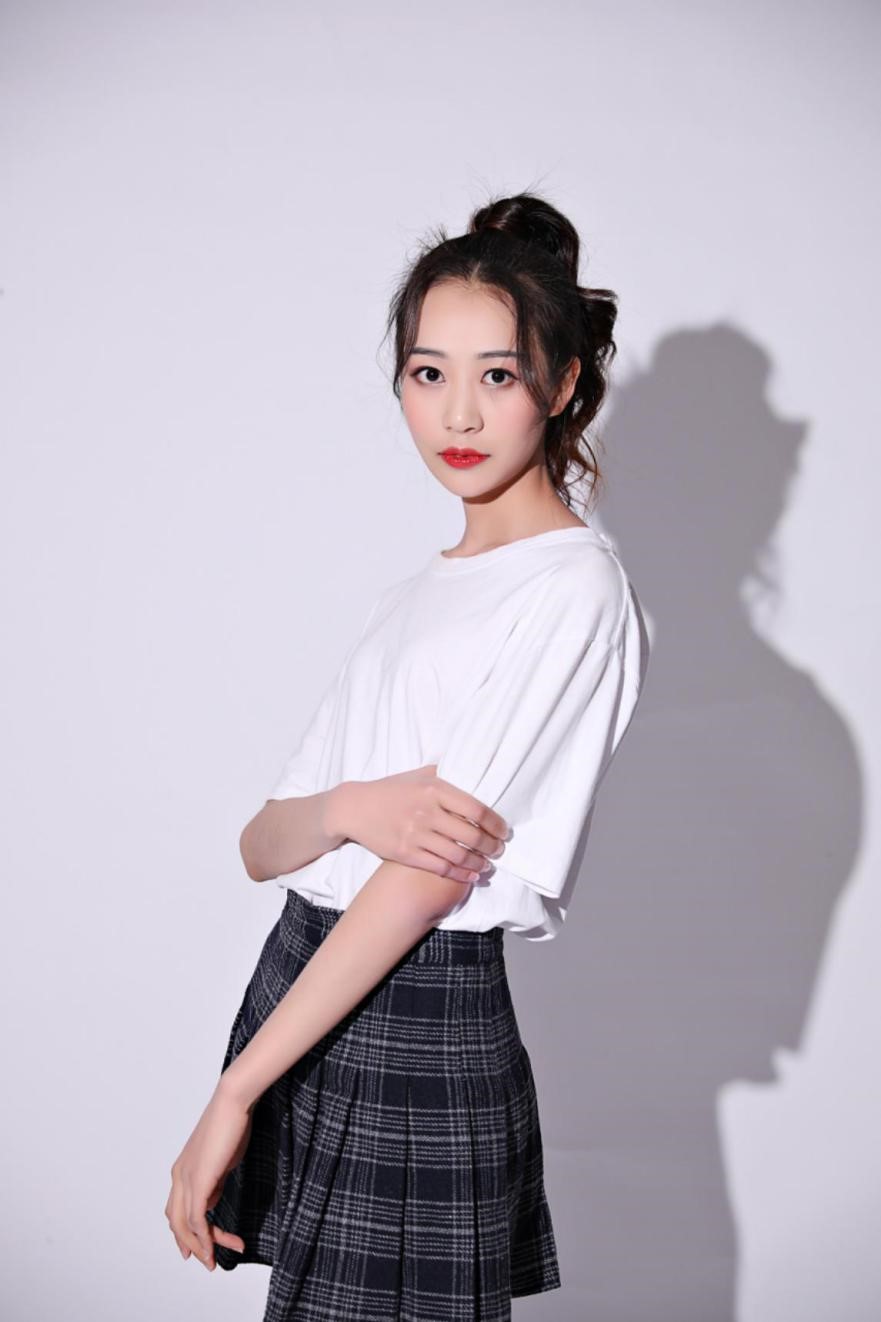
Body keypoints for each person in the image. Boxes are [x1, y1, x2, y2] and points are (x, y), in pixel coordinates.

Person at [165, 189, 651, 1320]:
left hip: (414, 1013)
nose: (457, 412)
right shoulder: (414, 597)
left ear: (561, 384)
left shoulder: (571, 588)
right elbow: (262, 843)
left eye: (498, 374)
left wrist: (234, 1091)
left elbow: (427, 880)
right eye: (429, 372)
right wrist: (354, 805)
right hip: (305, 980)